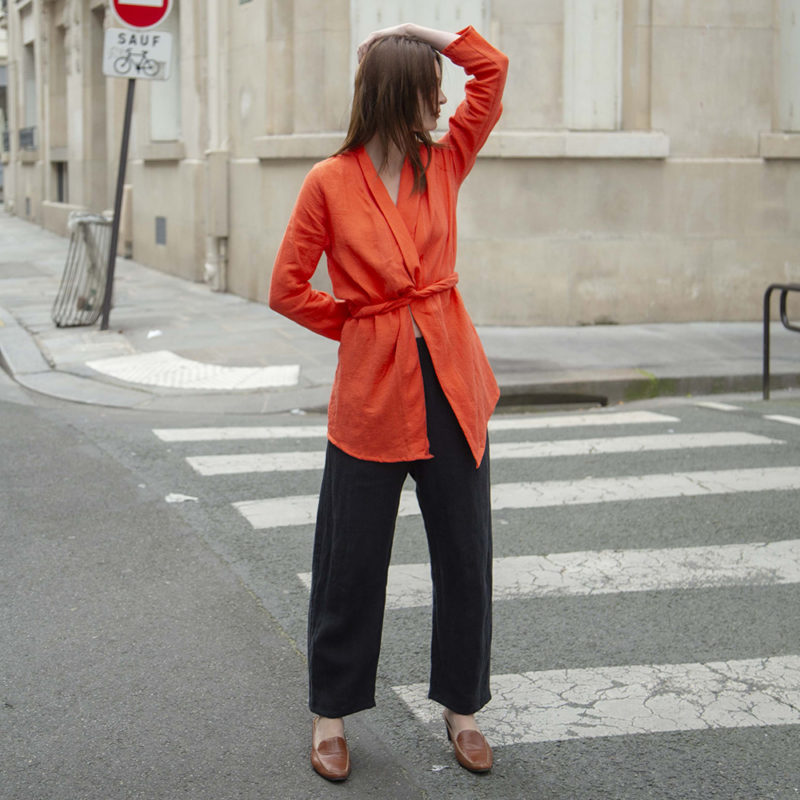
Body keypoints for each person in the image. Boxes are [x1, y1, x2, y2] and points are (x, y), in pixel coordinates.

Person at [269, 22, 508, 782]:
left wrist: (423, 33)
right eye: (429, 89)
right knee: (350, 564)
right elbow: (286, 287)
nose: (443, 102)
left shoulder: (447, 161)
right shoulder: (329, 181)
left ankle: (462, 708)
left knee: (466, 559)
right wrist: (361, 323)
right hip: (373, 396)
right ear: (397, 95)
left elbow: (493, 73)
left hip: (452, 383)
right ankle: (330, 714)